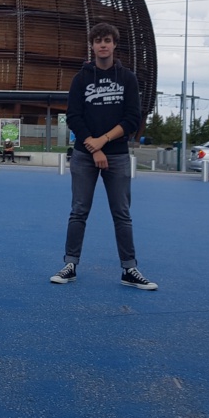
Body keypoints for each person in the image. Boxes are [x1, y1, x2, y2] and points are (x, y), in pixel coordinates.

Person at [50, 23, 156, 290]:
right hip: (85, 156)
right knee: (79, 211)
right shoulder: (81, 79)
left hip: (117, 155)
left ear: (114, 44)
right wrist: (94, 148)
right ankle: (70, 264)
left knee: (121, 213)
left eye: (107, 40)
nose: (103, 45)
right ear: (92, 46)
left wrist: (104, 142)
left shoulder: (128, 78)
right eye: (98, 41)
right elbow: (74, 116)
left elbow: (132, 118)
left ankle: (129, 269)